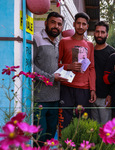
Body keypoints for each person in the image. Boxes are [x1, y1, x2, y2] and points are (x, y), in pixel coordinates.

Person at [33, 12, 67, 146]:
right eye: (53, 22)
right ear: (46, 23)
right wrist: (51, 78)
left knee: (51, 135)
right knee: (40, 137)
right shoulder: (36, 38)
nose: (56, 26)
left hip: (56, 98)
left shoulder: (59, 43)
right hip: (40, 98)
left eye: (59, 24)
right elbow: (30, 67)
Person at [58, 12, 96, 129]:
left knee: (83, 122)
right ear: (74, 24)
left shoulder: (89, 45)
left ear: (87, 27)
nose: (80, 26)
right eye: (78, 23)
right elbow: (56, 64)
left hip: (83, 89)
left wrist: (92, 89)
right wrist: (68, 66)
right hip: (66, 86)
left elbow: (91, 68)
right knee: (65, 121)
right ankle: (65, 145)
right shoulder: (64, 41)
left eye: (83, 24)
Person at [91, 21, 115, 124]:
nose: (99, 35)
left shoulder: (113, 53)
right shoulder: (89, 51)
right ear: (94, 33)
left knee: (105, 129)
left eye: (102, 32)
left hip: (105, 98)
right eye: (97, 32)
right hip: (91, 96)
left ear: (107, 34)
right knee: (93, 129)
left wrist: (110, 95)